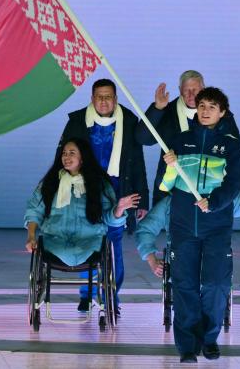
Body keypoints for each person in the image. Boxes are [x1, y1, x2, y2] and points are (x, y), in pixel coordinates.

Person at [160, 87, 240, 363]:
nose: (205, 111)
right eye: (202, 106)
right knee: (184, 284)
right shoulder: (180, 140)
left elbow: (235, 184)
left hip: (216, 226)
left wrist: (215, 202)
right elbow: (166, 184)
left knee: (216, 284)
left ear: (222, 112)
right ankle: (187, 344)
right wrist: (170, 166)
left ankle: (209, 338)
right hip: (183, 225)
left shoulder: (232, 145)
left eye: (212, 106)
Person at [59, 79, 149, 312]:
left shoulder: (128, 121)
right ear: (92, 99)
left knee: (113, 246)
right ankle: (87, 293)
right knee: (89, 243)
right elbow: (64, 156)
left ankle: (110, 297)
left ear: (116, 99)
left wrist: (143, 198)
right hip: (84, 194)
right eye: (99, 96)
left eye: (108, 96)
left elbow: (137, 161)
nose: (103, 101)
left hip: (118, 194)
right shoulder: (78, 121)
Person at [135, 151, 240, 277]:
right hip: (180, 261)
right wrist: (152, 260)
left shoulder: (222, 199)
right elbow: (145, 229)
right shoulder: (171, 203)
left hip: (214, 259)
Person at [23, 137, 140, 279]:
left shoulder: (99, 184)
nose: (66, 156)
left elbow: (109, 219)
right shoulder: (50, 183)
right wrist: (31, 237)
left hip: (89, 242)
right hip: (54, 242)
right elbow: (34, 211)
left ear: (82, 157)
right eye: (64, 153)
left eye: (72, 153)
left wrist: (119, 209)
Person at [134, 70, 240, 205]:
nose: (191, 95)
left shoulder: (221, 114)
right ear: (180, 90)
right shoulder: (168, 110)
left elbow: (236, 156)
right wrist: (158, 108)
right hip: (169, 190)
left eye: (195, 90)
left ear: (203, 89)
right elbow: (143, 139)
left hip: (210, 194)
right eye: (186, 90)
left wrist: (237, 194)